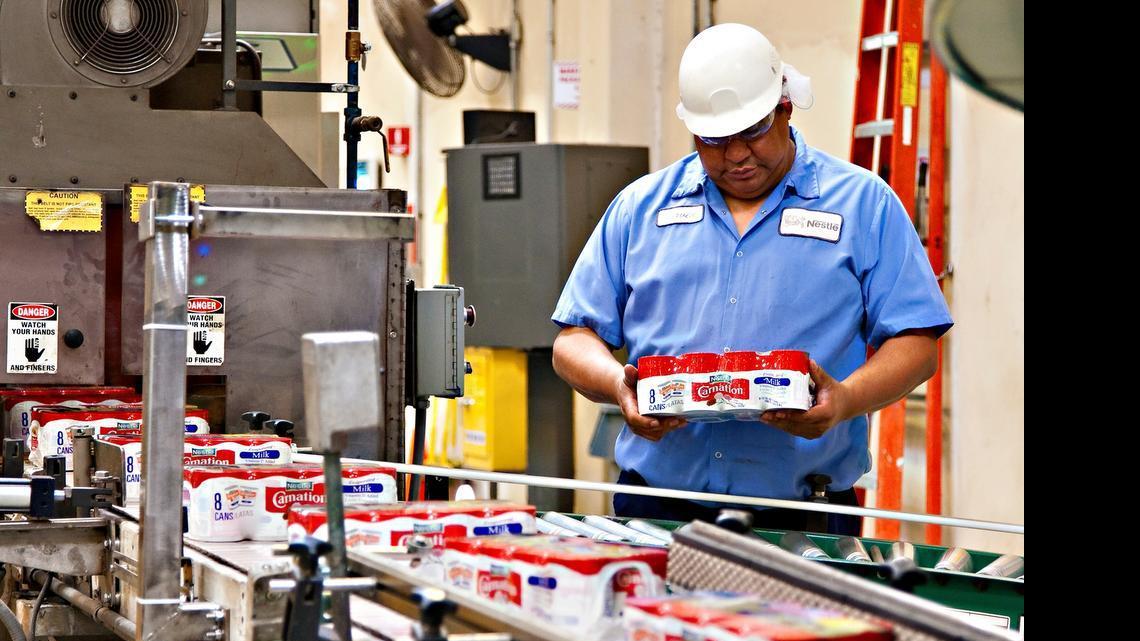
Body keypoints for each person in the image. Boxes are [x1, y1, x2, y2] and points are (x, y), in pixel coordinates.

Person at [549, 23, 952, 535]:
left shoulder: (863, 205)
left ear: (785, 108)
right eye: (714, 140)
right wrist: (616, 385)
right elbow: (573, 339)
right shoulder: (641, 209)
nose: (736, 154)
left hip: (807, 516)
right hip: (657, 514)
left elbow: (917, 343)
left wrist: (845, 400)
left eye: (753, 132)